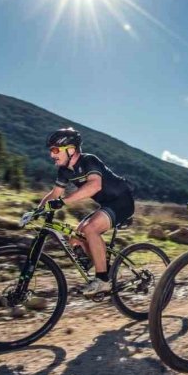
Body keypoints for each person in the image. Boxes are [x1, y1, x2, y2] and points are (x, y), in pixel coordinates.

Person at [39, 127, 135, 296]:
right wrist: (37, 211)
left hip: (122, 201)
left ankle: (103, 280)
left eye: (55, 150)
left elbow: (94, 185)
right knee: (77, 236)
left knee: (91, 229)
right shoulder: (64, 171)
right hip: (107, 204)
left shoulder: (88, 161)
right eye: (50, 151)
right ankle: (107, 269)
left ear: (70, 149)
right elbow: (55, 193)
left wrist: (63, 202)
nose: (51, 155)